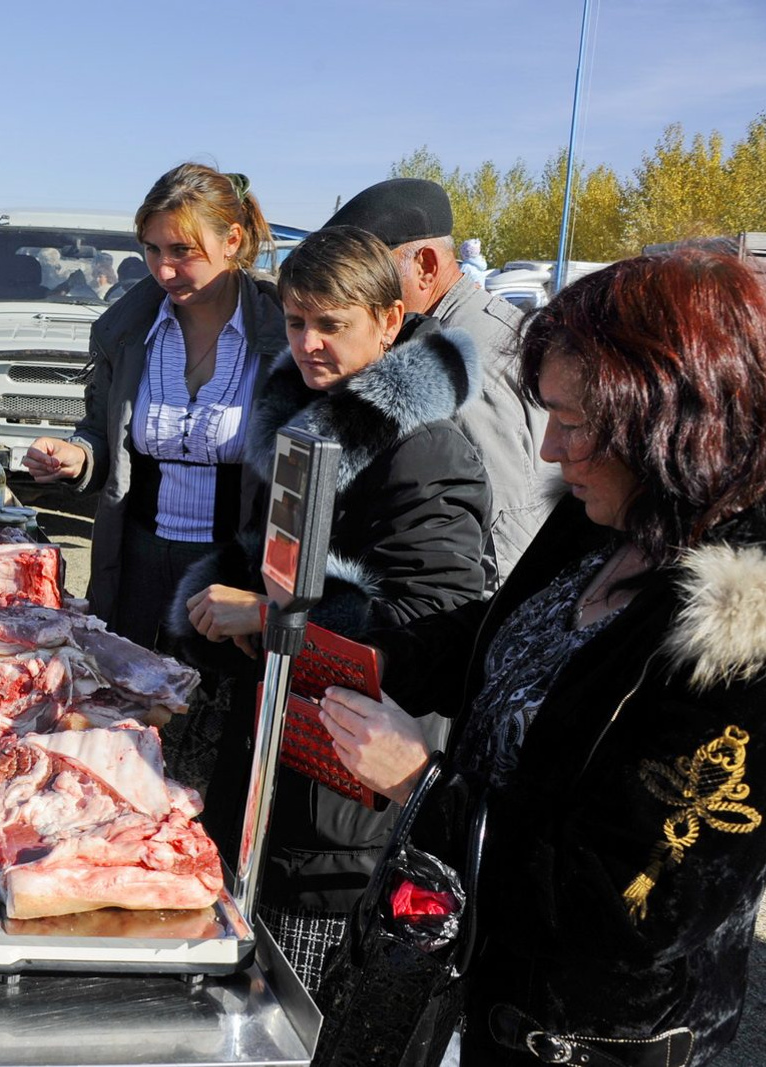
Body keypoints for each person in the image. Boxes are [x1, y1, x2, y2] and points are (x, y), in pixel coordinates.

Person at [319, 249, 766, 1065]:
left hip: (578, 1038)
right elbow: (514, 640)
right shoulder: (610, 516)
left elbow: (635, 908)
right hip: (474, 988)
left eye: (574, 421)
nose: (550, 448)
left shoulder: (742, 634)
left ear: (671, 421)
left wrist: (424, 785)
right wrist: (373, 659)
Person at [170, 225, 489, 991]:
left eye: (331, 325)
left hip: (340, 808)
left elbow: (437, 634)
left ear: (388, 320)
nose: (308, 344)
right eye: (294, 321)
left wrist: (271, 620)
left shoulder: (427, 450)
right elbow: (261, 559)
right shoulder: (301, 416)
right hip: (269, 766)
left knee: (298, 1006)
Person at [22, 163, 286, 650]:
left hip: (232, 579)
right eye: (152, 249)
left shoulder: (283, 337)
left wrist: (263, 594)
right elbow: (103, 434)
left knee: (208, 716)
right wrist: (75, 455)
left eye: (183, 251)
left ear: (232, 240)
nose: (163, 270)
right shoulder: (125, 333)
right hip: (135, 565)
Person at [323, 178, 544, 590]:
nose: (351, 285)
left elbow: (503, 526)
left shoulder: (461, 354)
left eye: (366, 269)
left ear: (424, 266)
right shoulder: (451, 331)